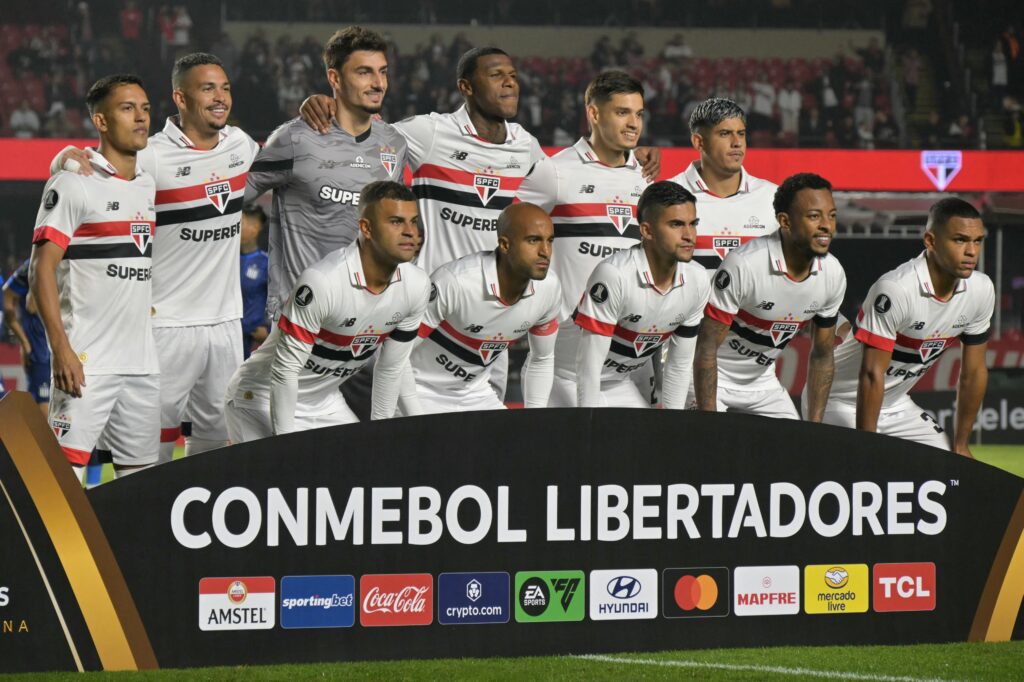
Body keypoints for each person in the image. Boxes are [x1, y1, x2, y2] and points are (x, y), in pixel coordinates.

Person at [52, 52, 260, 464]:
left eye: (225, 88)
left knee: (218, 438)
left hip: (225, 322)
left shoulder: (241, 145)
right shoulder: (152, 154)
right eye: (207, 89)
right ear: (180, 99)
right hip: (165, 323)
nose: (220, 97)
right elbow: (86, 170)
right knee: (152, 445)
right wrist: (62, 157)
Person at [223, 182, 428, 442]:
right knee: (282, 480)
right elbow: (285, 371)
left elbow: (391, 369)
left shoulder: (417, 285)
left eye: (413, 221)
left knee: (364, 474)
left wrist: (381, 436)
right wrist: (283, 446)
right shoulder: (323, 281)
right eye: (397, 222)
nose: (411, 232)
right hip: (261, 395)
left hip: (326, 402)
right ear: (367, 228)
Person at [30, 74, 159, 478]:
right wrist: (61, 349)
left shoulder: (147, 184)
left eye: (145, 108)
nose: (140, 118)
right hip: (86, 362)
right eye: (127, 108)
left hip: (142, 363)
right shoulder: (74, 184)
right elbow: (41, 268)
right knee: (61, 487)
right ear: (101, 121)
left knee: (141, 488)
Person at [245, 26, 408, 320]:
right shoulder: (294, 140)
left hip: (365, 320)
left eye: (382, 72)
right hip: (299, 322)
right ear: (334, 78)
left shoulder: (393, 144)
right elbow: (230, 202)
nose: (378, 83)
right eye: (364, 72)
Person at [816, 198, 993, 456]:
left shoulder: (981, 290)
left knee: (953, 469)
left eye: (977, 241)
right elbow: (871, 374)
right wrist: (868, 447)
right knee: (867, 477)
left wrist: (961, 444)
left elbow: (973, 372)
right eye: (960, 240)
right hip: (840, 400)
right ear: (930, 241)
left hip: (897, 404)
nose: (971, 251)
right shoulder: (896, 289)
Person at [515, 71, 649, 405]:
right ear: (594, 113)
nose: (634, 123)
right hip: (565, 361)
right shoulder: (555, 172)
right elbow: (507, 230)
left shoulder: (647, 181)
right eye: (622, 112)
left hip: (625, 363)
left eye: (639, 114)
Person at [693, 172, 846, 420]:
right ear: (784, 222)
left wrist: (815, 426)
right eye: (814, 216)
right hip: (712, 376)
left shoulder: (833, 273)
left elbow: (822, 354)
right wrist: (710, 425)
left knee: (797, 453)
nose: (826, 226)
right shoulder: (745, 264)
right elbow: (706, 348)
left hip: (762, 384)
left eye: (832, 216)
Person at [401, 203, 560, 413]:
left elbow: (542, 358)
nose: (545, 252)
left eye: (550, 241)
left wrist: (534, 419)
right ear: (504, 245)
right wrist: (415, 418)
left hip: (475, 395)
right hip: (419, 390)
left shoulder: (549, 287)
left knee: (523, 446)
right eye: (533, 241)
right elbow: (395, 357)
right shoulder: (456, 282)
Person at [570, 181, 708, 408]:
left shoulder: (698, 279)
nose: (689, 235)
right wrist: (589, 428)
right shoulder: (614, 275)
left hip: (618, 383)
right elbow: (588, 367)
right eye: (676, 224)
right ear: (646, 230)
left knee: (655, 441)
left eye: (693, 224)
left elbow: (679, 365)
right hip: (570, 378)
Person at [667, 98, 778, 271]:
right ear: (699, 142)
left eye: (741, 133)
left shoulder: (773, 197)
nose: (737, 142)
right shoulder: (665, 196)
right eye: (725, 133)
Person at [3, 259, 50, 414]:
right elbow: (7, 297)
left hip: (66, 350)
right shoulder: (32, 265)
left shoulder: (74, 264)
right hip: (39, 352)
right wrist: (24, 342)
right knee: (44, 415)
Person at [239, 204, 269, 359]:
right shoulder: (225, 259)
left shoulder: (266, 263)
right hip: (224, 333)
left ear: (255, 229)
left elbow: (279, 300)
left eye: (241, 223)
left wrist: (268, 329)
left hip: (251, 340)